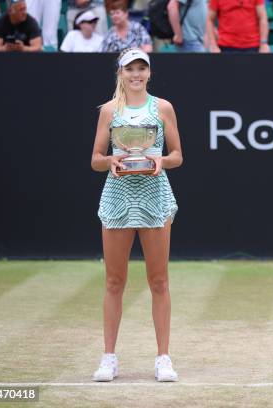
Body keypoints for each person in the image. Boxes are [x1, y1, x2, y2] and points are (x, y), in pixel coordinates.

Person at [90, 48, 182, 382]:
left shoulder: (163, 108)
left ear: (149, 73)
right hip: (118, 197)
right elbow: (97, 159)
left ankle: (163, 358)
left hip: (154, 195)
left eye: (142, 68)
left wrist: (160, 162)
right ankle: (109, 358)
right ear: (121, 73)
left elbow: (177, 156)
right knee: (115, 281)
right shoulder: (109, 111)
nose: (136, 75)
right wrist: (112, 162)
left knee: (159, 280)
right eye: (130, 69)